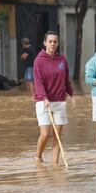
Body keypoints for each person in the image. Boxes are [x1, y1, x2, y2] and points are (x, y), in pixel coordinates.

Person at [33, 31, 76, 165]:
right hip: (43, 101)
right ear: (45, 43)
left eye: (55, 41)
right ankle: (38, 157)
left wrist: (71, 94)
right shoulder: (38, 60)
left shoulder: (62, 60)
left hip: (59, 102)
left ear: (58, 43)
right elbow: (38, 82)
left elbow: (66, 80)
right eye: (50, 41)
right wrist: (44, 98)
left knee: (57, 136)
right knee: (45, 134)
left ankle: (55, 165)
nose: (52, 44)